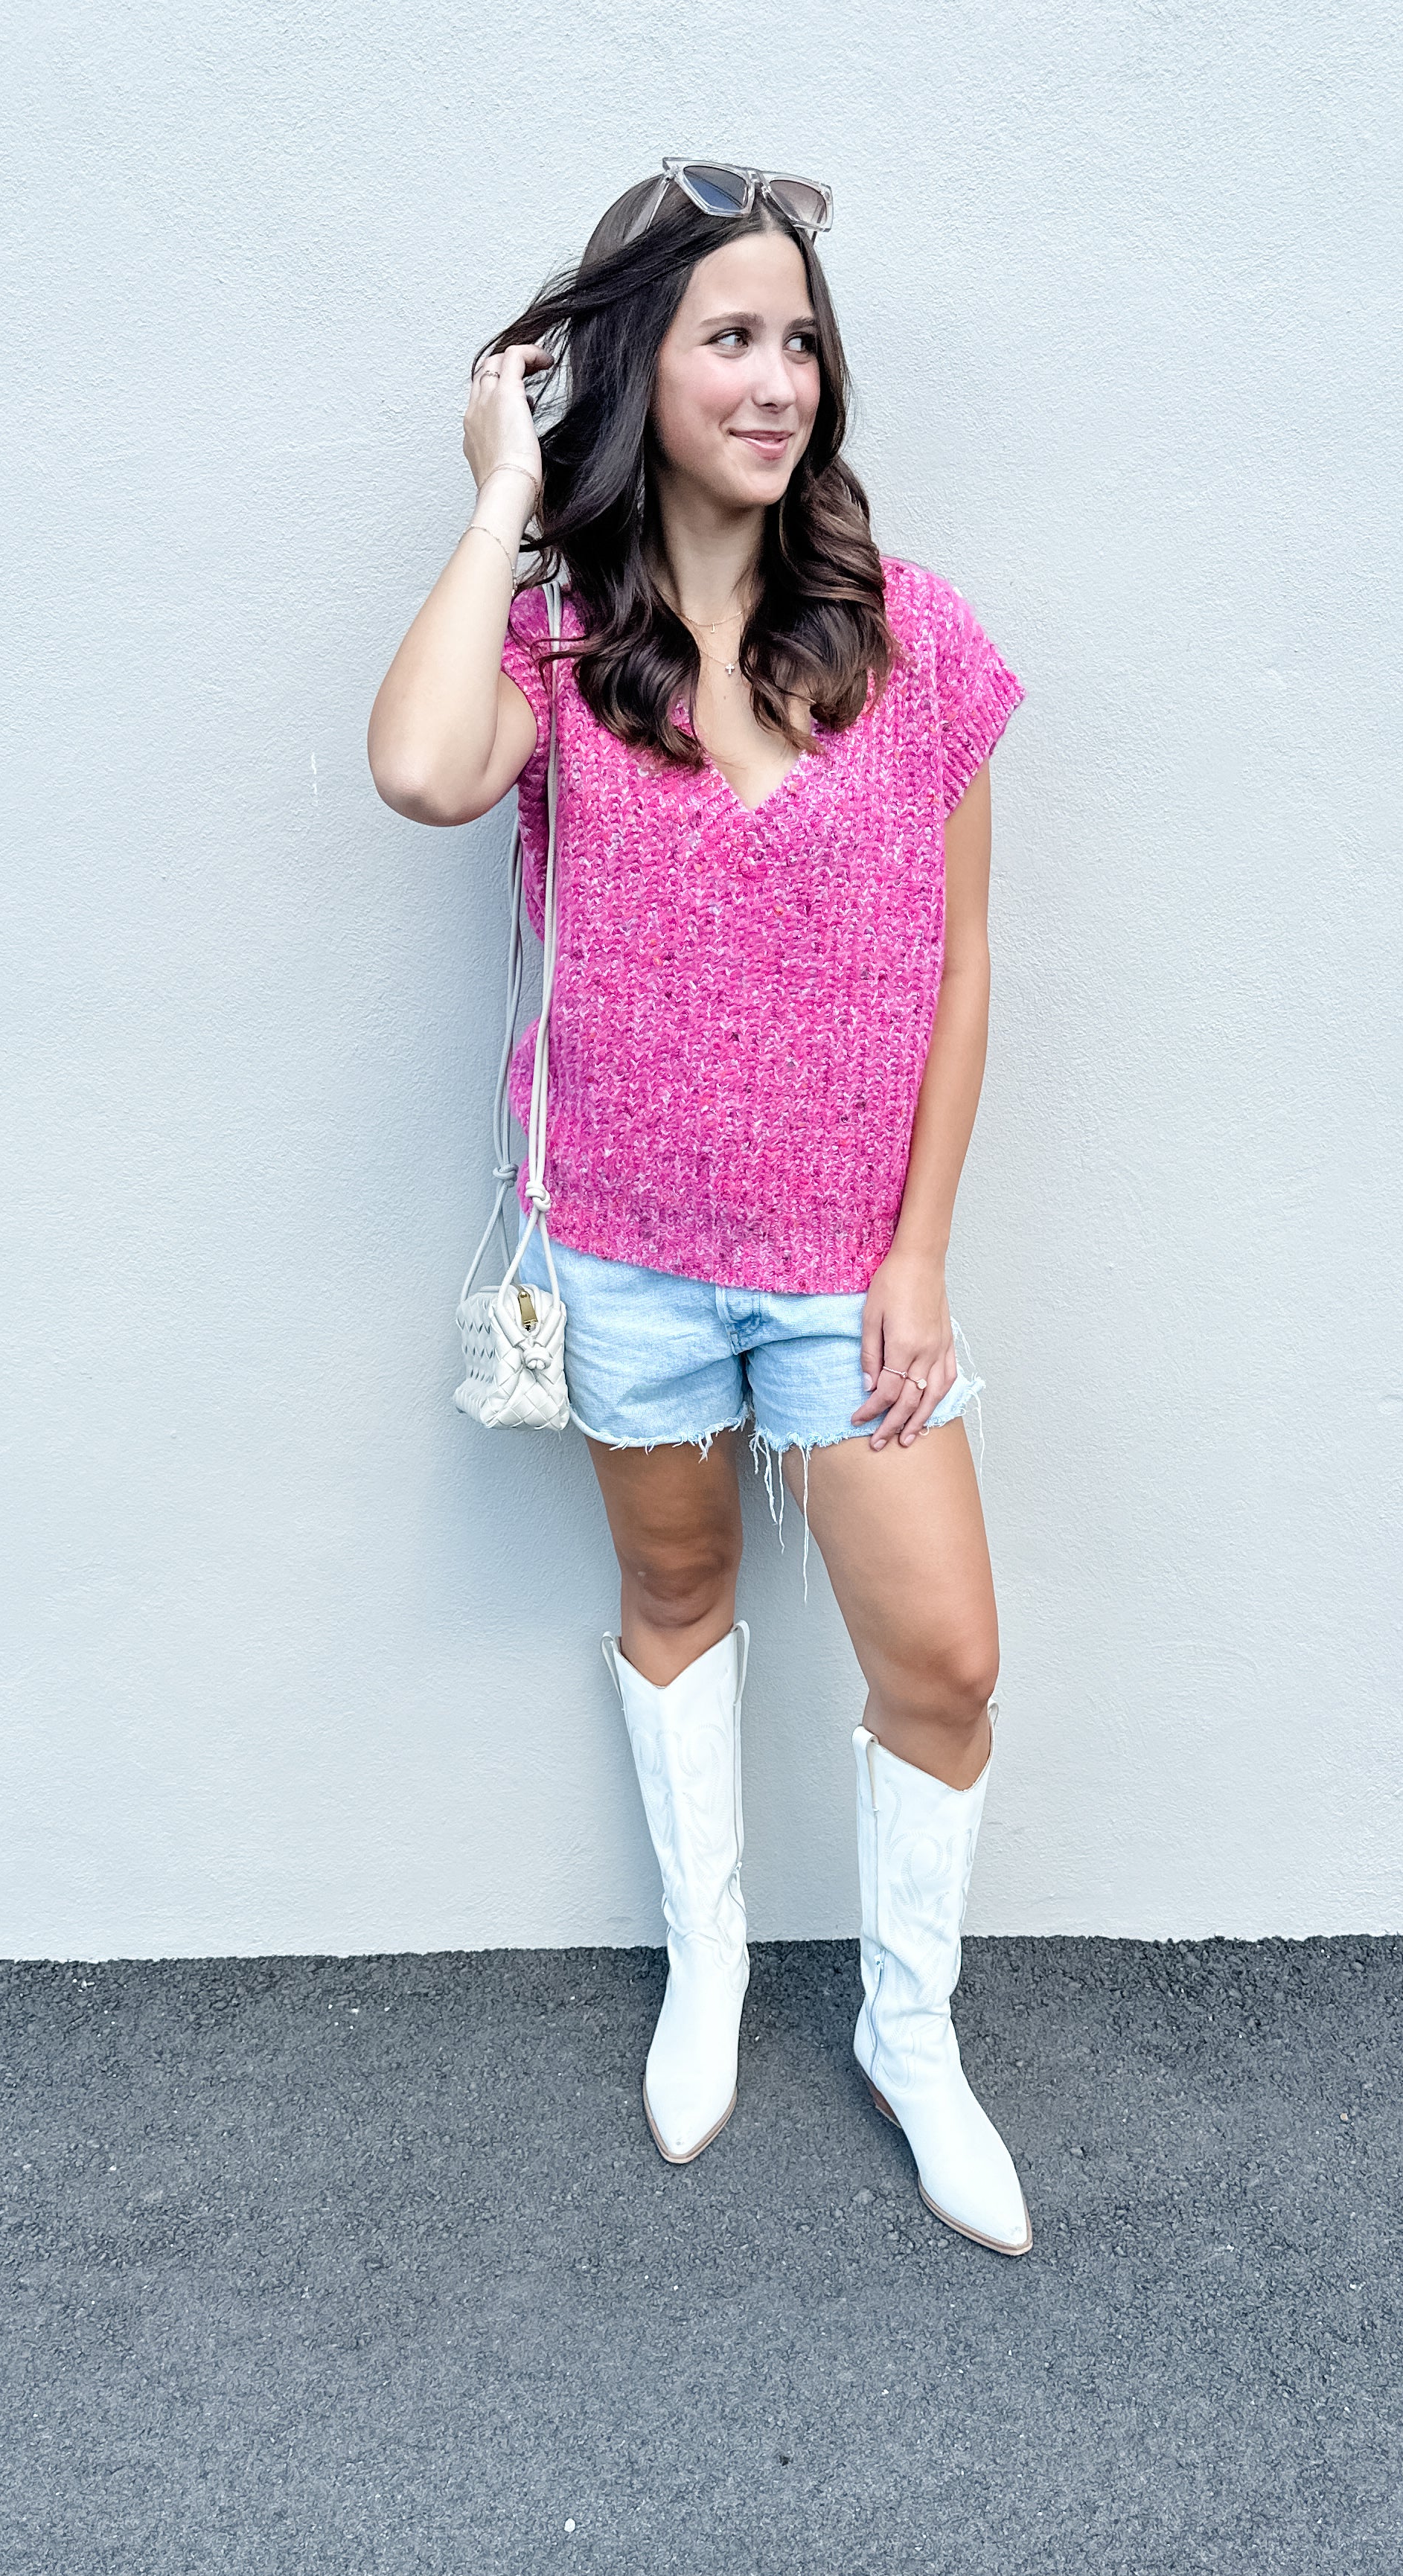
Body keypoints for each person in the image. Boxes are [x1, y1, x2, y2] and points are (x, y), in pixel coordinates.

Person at [368, 162, 1030, 2256]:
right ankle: (715, 1969)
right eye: (727, 335)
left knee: (944, 1656)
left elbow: (965, 960)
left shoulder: (912, 633)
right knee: (678, 1610)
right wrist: (498, 495)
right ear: (637, 368)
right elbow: (415, 769)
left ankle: (911, 2037)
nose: (774, 378)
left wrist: (914, 1250)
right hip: (628, 1253)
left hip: (849, 1273)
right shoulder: (561, 644)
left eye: (800, 338)